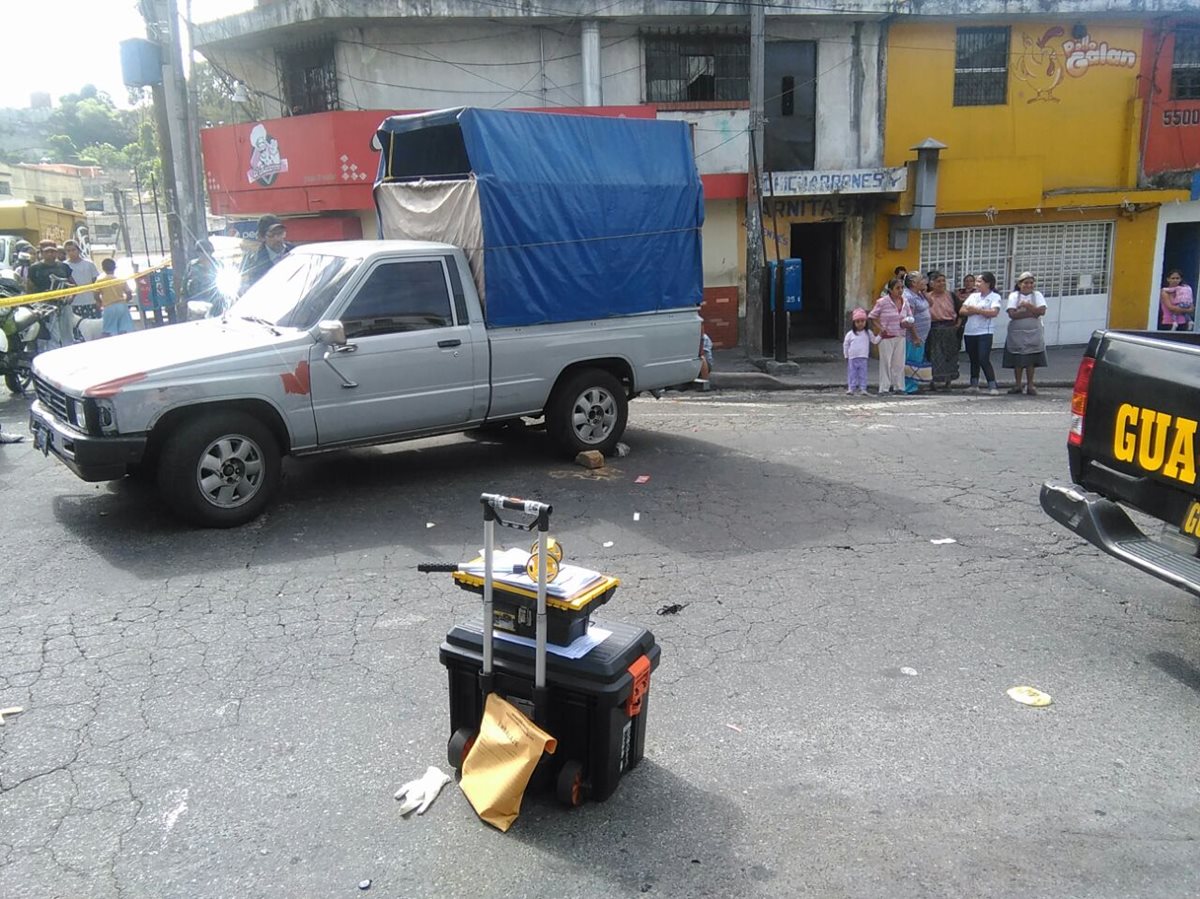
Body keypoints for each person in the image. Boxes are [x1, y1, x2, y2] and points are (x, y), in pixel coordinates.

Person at [1003, 272, 1048, 395]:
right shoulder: (1014, 296)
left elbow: (1042, 311)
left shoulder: (1037, 295)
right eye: (1026, 283)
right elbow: (1012, 314)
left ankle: (1030, 385)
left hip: (1034, 333)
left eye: (1031, 283)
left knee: (1031, 360)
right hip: (1017, 333)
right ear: (1019, 284)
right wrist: (1032, 312)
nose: (1029, 285)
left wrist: (1028, 305)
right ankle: (1017, 384)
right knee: (1017, 359)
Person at [868, 278, 914, 395]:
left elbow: (910, 316)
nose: (900, 290)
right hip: (886, 336)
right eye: (897, 288)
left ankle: (899, 387)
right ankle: (884, 388)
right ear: (890, 290)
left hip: (900, 335)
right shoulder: (882, 302)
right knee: (886, 363)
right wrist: (880, 327)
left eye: (902, 288)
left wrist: (907, 323)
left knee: (898, 363)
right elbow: (872, 317)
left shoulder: (905, 302)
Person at [959, 272, 1002, 395]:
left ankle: (992, 385)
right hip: (970, 331)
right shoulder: (973, 296)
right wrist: (974, 311)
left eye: (979, 281)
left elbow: (993, 312)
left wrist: (976, 310)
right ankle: (974, 384)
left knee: (983, 358)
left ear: (988, 283)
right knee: (973, 359)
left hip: (984, 331)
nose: (977, 284)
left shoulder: (994, 297)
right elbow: (962, 310)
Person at [925, 270, 960, 390]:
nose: (941, 283)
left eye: (943, 281)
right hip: (933, 329)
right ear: (932, 283)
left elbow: (960, 312)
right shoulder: (927, 297)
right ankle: (933, 382)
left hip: (949, 328)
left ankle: (948, 382)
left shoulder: (951, 295)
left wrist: (957, 326)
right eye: (938, 281)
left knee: (949, 356)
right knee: (934, 357)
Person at [240, 214, 291, 292]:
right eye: (272, 235)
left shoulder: (296, 252)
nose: (277, 238)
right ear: (262, 237)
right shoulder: (253, 262)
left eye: (280, 233)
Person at [902, 271, 931, 393]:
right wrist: (915, 337)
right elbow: (910, 319)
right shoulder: (909, 297)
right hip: (913, 336)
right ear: (913, 283)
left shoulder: (919, 294)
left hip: (922, 335)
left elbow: (932, 303)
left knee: (916, 360)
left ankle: (913, 384)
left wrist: (924, 292)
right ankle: (908, 387)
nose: (924, 281)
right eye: (921, 279)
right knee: (911, 361)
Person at [843, 307, 880, 396]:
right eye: (857, 321)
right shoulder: (850, 334)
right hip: (852, 357)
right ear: (854, 323)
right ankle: (851, 388)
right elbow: (846, 344)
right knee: (852, 373)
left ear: (865, 322)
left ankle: (863, 388)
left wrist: (881, 336)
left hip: (863, 357)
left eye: (862, 321)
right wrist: (846, 355)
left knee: (863, 374)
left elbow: (874, 341)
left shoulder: (868, 333)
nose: (860, 324)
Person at [95, 258, 135, 337]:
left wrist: (100, 303)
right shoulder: (120, 280)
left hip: (108, 306)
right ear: (115, 268)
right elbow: (129, 293)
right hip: (121, 305)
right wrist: (125, 301)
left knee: (108, 331)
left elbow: (95, 295)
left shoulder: (100, 281)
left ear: (103, 268)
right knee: (124, 329)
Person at [184, 239, 224, 316]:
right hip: (197, 302)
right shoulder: (192, 266)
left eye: (208, 252)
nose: (205, 254)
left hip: (215, 302)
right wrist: (183, 300)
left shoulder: (218, 265)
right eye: (201, 252)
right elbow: (185, 283)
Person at [63, 239, 100, 316]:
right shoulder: (64, 266)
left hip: (90, 301)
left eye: (73, 250)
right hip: (73, 303)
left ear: (78, 250)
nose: (71, 253)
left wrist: (98, 299)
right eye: (68, 250)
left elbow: (95, 282)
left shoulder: (89, 264)